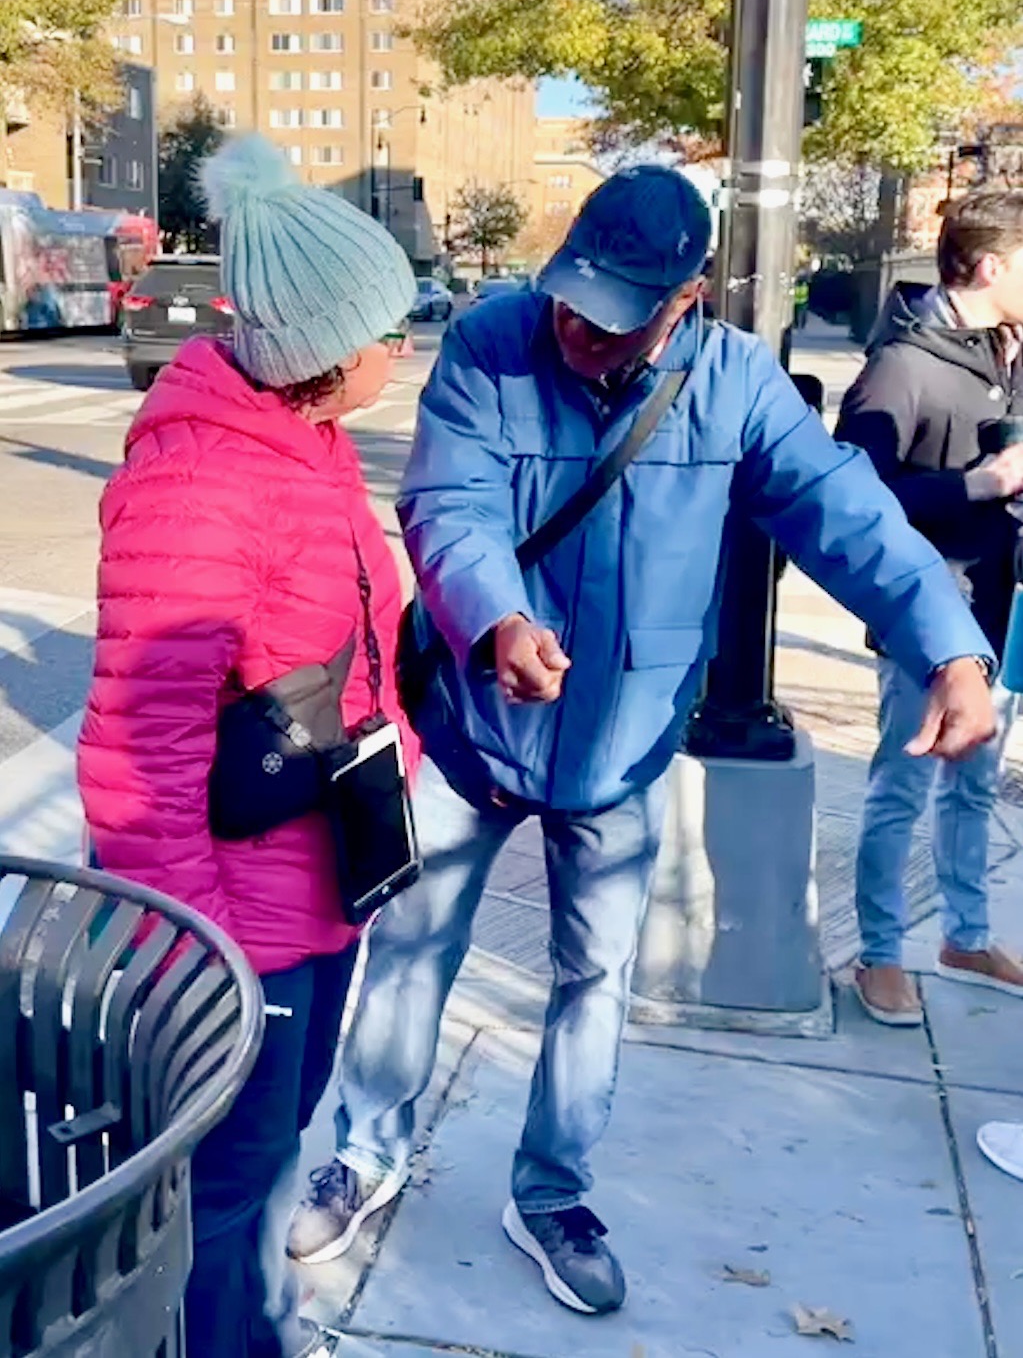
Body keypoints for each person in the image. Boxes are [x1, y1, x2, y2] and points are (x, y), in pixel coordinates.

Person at [288, 165, 996, 1316]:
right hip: (476, 726)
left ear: (688, 298)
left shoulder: (734, 387)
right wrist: (498, 616)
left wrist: (950, 649)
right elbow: (448, 504)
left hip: (621, 749)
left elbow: (846, 513)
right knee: (412, 950)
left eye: (615, 312)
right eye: (572, 295)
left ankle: (553, 1191)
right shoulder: (491, 345)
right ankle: (364, 1153)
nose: (577, 326)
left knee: (596, 977)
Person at [77, 134, 418, 1358]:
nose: (405, 347)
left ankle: (261, 1334)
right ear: (323, 357)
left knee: (274, 1153)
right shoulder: (202, 485)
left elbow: (340, 652)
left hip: (318, 890)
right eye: (389, 327)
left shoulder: (306, 452)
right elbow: (136, 747)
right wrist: (203, 948)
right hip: (242, 928)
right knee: (222, 1198)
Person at [836, 190, 1023, 1028]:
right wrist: (976, 485)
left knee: (973, 786)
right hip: (923, 617)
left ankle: (965, 934)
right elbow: (851, 496)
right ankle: (878, 952)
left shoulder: (1003, 353)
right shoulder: (901, 366)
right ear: (990, 267)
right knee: (901, 789)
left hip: (993, 608)